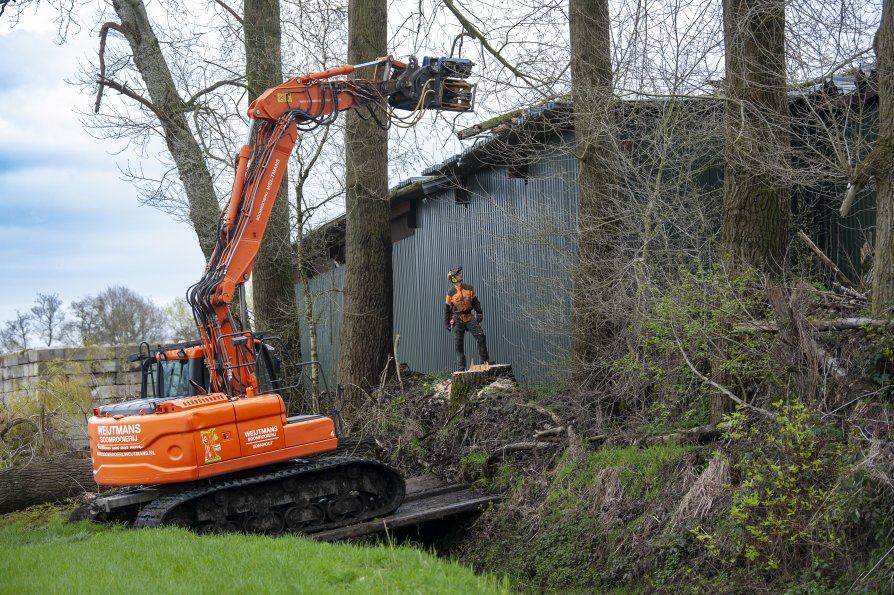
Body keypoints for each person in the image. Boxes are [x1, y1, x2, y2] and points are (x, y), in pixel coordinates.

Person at [443, 266, 490, 371]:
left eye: (460, 273)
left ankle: (485, 361)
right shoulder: (450, 293)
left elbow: (475, 302)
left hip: (469, 316)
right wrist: (446, 323)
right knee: (458, 344)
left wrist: (479, 313)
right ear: (453, 278)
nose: (461, 275)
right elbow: (447, 309)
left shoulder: (469, 288)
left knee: (481, 336)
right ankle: (461, 367)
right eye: (458, 274)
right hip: (457, 318)